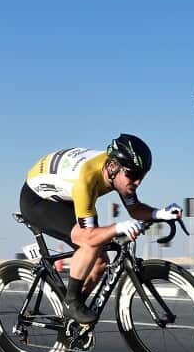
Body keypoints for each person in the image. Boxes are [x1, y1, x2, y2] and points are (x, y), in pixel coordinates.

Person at [20, 134, 181, 325]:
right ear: (113, 167)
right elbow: (88, 238)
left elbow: (135, 209)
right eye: (133, 175)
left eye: (142, 176)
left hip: (65, 195)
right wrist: (118, 226)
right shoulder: (87, 180)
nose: (138, 182)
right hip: (38, 200)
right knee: (91, 245)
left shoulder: (118, 172)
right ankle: (71, 303)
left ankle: (74, 310)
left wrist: (159, 214)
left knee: (100, 262)